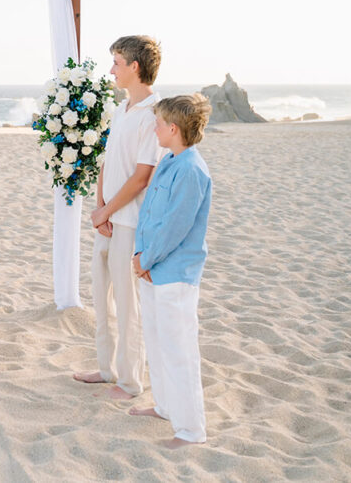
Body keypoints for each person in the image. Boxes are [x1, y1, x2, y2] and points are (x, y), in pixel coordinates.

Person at [73, 35, 163, 399]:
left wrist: (108, 211)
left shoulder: (154, 114)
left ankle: (130, 381)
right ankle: (107, 368)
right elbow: (107, 162)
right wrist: (100, 208)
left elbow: (142, 176)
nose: (111, 70)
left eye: (116, 63)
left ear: (134, 67)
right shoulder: (121, 109)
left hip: (130, 221)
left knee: (128, 305)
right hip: (107, 219)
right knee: (102, 298)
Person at [129, 94, 212, 448]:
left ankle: (191, 430)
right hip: (152, 268)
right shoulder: (169, 160)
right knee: (157, 342)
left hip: (174, 273)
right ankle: (165, 406)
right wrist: (140, 255)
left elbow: (176, 226)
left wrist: (146, 260)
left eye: (159, 123)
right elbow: (150, 212)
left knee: (179, 351)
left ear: (174, 128)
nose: (155, 129)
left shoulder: (192, 169)